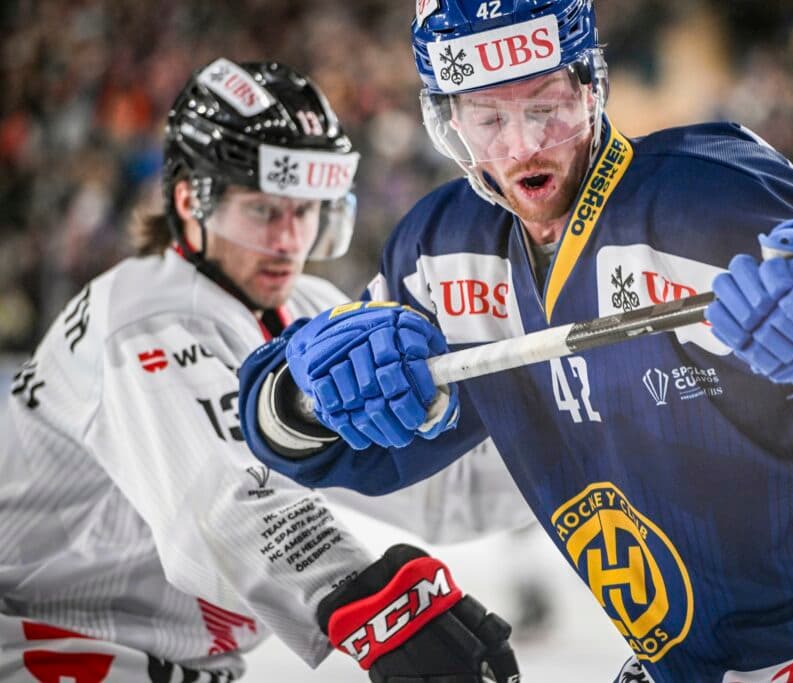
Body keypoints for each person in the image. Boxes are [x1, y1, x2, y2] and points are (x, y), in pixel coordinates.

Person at [238, 2, 793, 681]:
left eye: (547, 106)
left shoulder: (709, 195)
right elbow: (315, 437)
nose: (523, 147)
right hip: (690, 661)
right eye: (488, 118)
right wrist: (306, 392)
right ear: (448, 121)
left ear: (592, 86)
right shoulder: (442, 251)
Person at [0, 58, 531, 682]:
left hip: (138, 657)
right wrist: (373, 607)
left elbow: (434, 487)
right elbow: (216, 500)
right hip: (34, 645)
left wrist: (565, 450)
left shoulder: (304, 309)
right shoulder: (141, 312)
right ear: (189, 201)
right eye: (261, 210)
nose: (288, 240)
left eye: (305, 210)